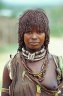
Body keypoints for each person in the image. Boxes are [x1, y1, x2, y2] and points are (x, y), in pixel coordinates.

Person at [1, 9, 63, 96]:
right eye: (29, 32)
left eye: (39, 32)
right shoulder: (11, 66)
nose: (34, 37)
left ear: (46, 35)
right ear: (22, 35)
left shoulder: (58, 64)